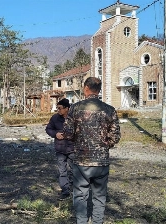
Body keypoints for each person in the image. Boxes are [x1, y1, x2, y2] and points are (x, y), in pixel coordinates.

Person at [62, 77, 121, 224]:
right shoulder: (109, 110)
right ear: (99, 89)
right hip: (101, 162)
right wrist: (103, 146)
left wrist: (78, 141)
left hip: (81, 161)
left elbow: (67, 134)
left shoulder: (75, 109)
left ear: (86, 88)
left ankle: (81, 221)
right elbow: (115, 137)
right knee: (99, 196)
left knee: (80, 195)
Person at [45, 98, 75, 201]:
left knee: (74, 171)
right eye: (57, 108)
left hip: (72, 149)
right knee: (62, 172)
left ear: (67, 108)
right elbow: (48, 129)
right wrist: (55, 134)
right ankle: (65, 191)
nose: (58, 110)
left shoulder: (74, 118)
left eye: (60, 108)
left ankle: (74, 190)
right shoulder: (55, 118)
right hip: (60, 149)